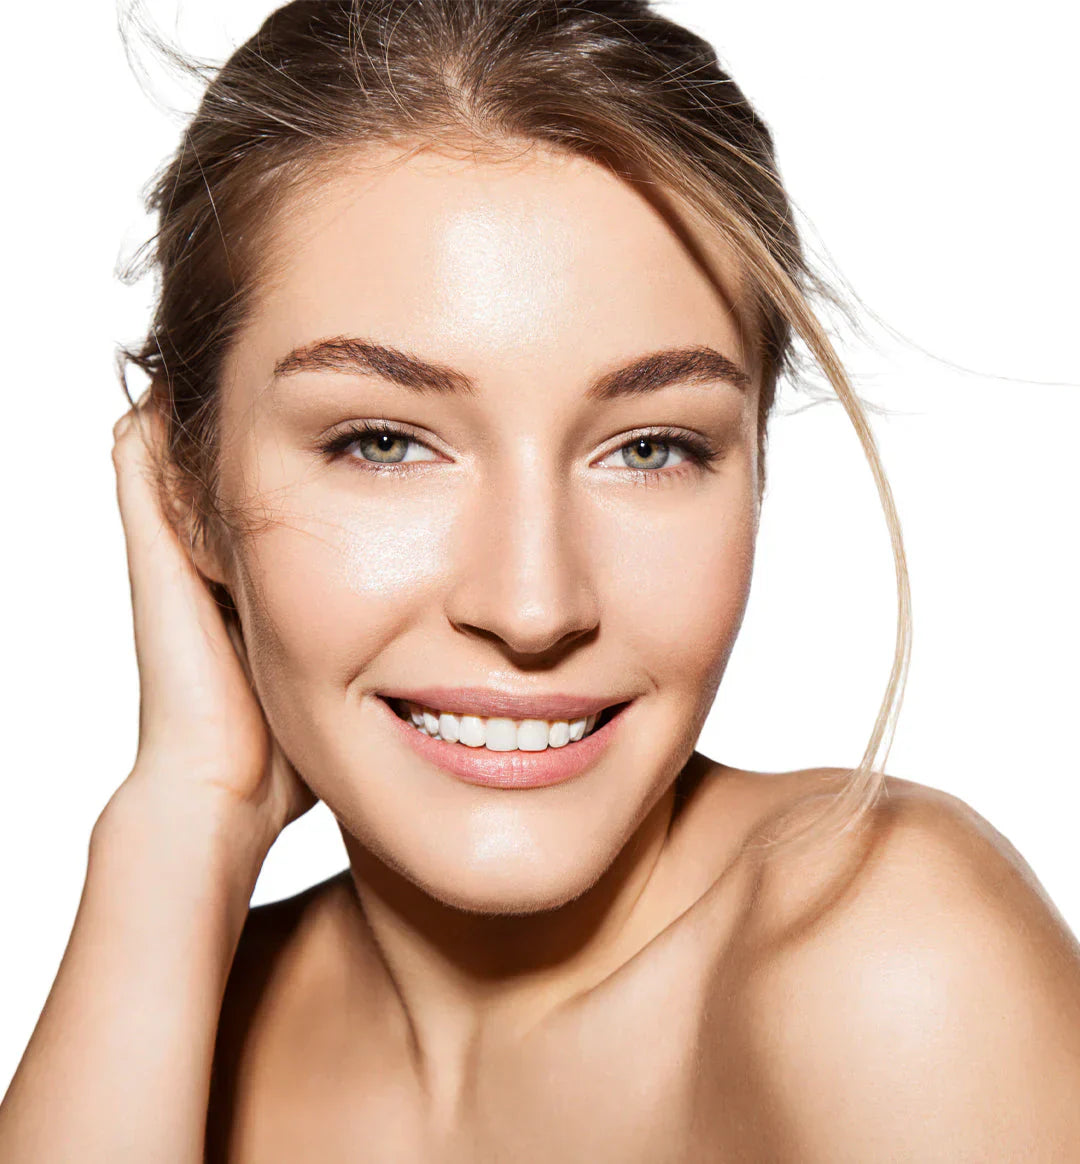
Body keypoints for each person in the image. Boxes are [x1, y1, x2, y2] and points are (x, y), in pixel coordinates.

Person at [2, 0, 1078, 1159]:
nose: (533, 607)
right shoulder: (173, 1018)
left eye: (651, 448)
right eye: (384, 442)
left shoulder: (888, 961)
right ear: (185, 491)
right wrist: (176, 826)